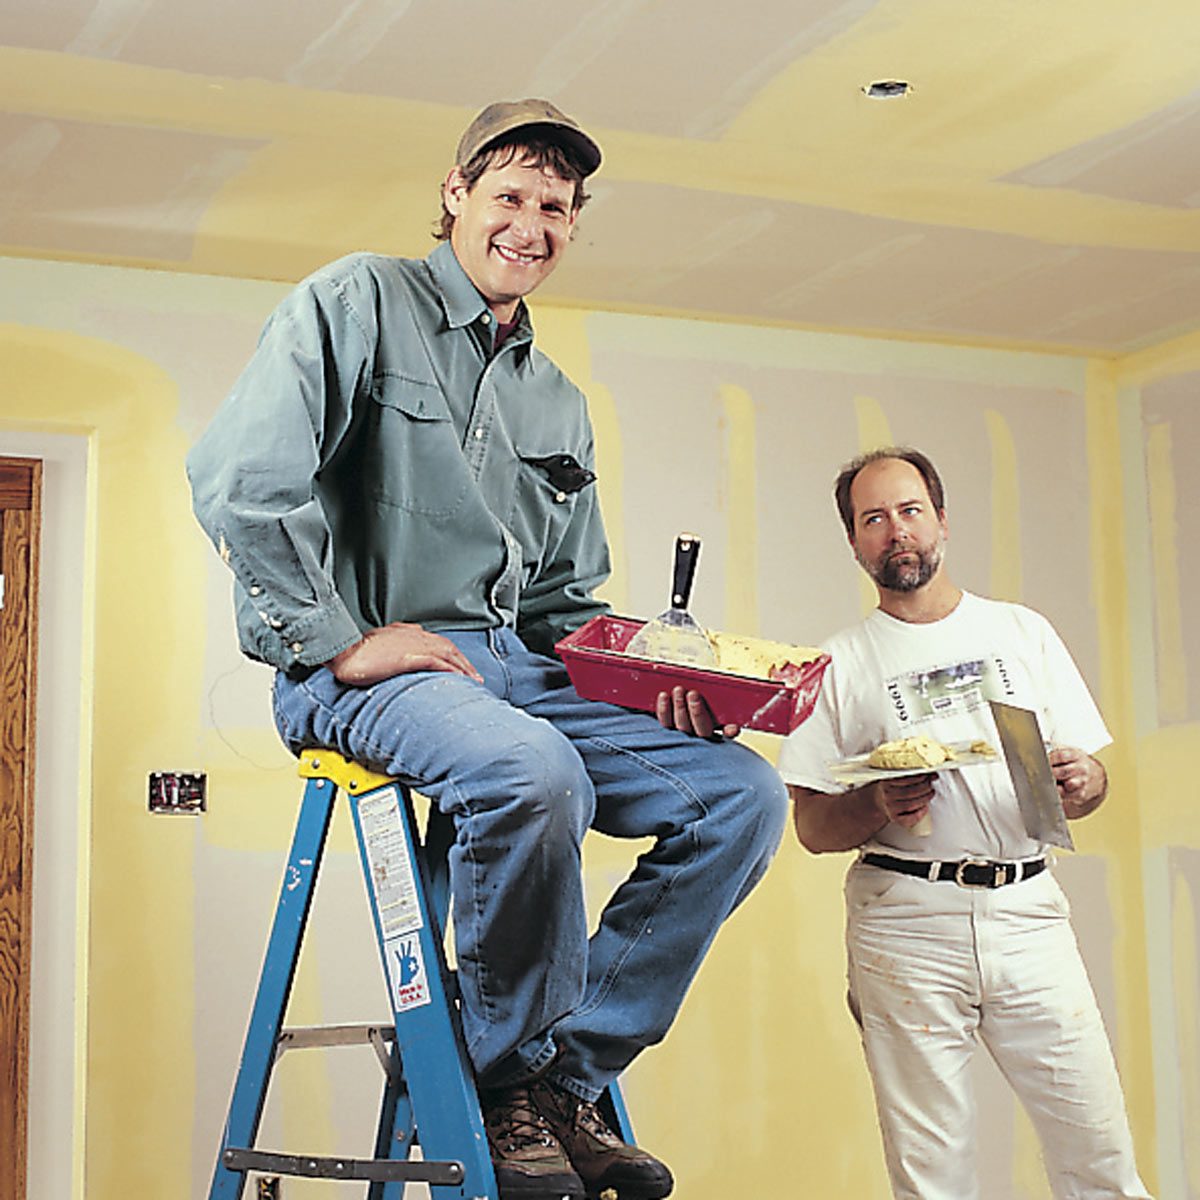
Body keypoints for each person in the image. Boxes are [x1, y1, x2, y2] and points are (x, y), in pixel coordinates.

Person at [187, 98, 788, 1200]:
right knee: (529, 771)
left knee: (743, 796)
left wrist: (661, 685)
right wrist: (338, 639)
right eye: (509, 195)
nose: (532, 224)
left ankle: (560, 1073)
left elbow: (563, 601)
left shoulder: (555, 397)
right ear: (457, 195)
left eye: (556, 208)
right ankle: (507, 1073)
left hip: (519, 670)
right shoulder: (359, 299)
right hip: (368, 671)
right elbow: (239, 484)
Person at [778, 447, 1151, 1200]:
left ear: (942, 521)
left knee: (1099, 1156)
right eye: (873, 518)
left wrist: (1086, 781)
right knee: (932, 1177)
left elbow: (1092, 783)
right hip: (905, 924)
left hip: (1028, 913)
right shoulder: (838, 663)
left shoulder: (1021, 632)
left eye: (910, 511)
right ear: (854, 542)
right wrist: (875, 804)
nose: (896, 532)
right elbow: (813, 827)